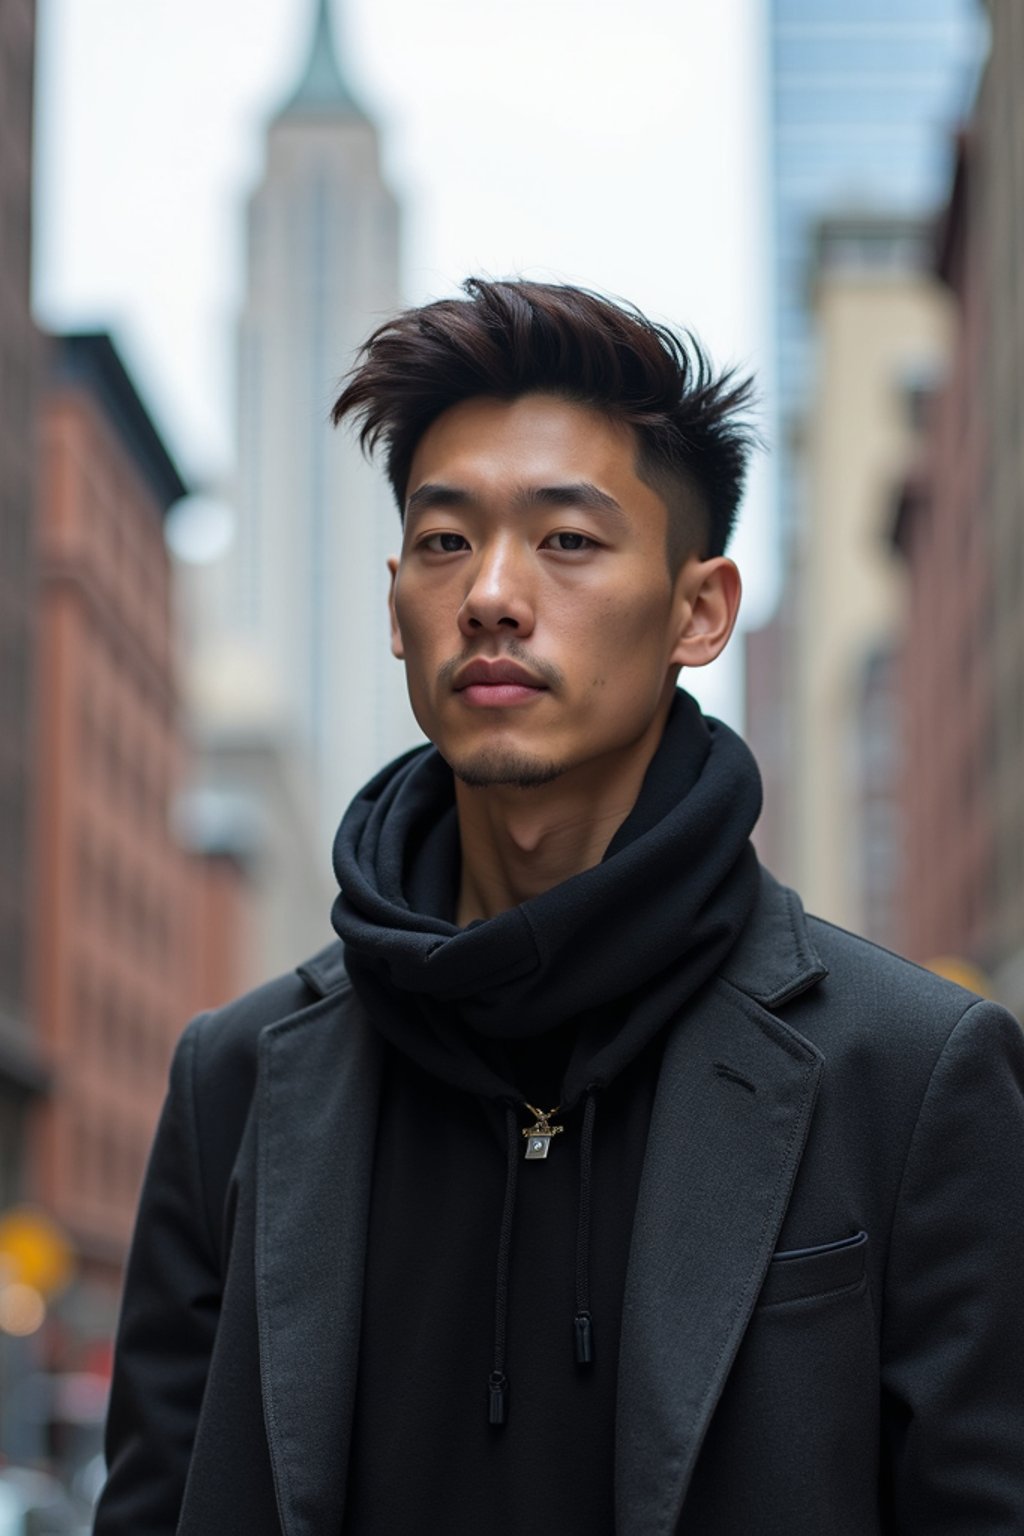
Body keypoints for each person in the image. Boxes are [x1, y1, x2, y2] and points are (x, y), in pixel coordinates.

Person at [94, 279, 1024, 1536]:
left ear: (699, 612)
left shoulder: (912, 1077)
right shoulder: (235, 1080)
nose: (489, 593)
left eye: (567, 541)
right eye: (443, 541)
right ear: (395, 606)